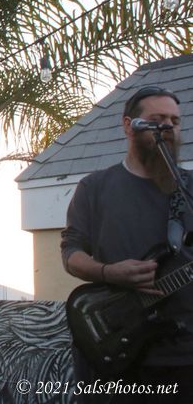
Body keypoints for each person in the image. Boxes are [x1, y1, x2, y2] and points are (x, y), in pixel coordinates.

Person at [61, 85, 193, 401]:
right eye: (157, 120)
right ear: (128, 125)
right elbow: (71, 252)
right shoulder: (94, 187)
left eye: (174, 121)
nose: (168, 127)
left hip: (185, 353)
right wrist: (108, 272)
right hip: (118, 347)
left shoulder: (189, 189)